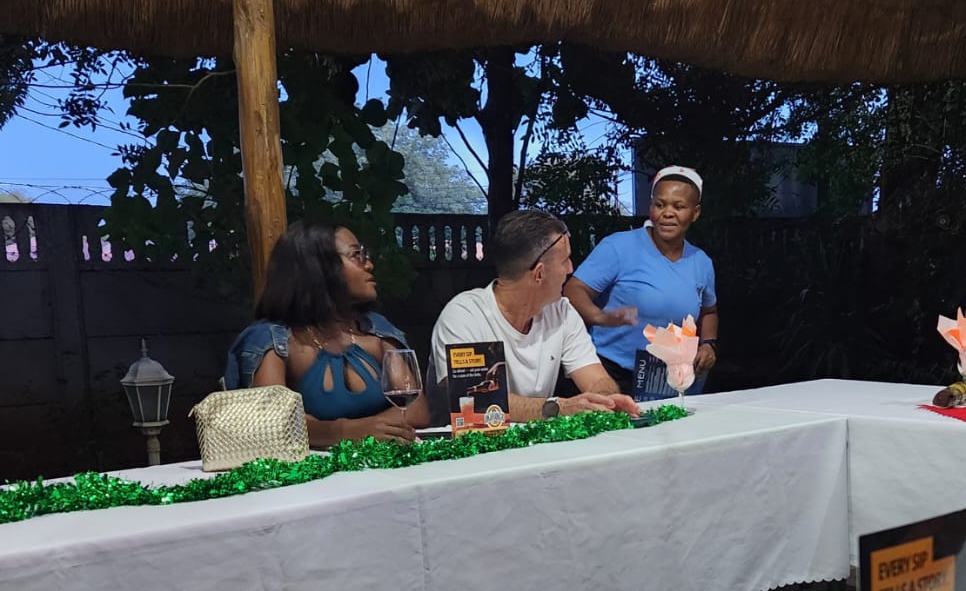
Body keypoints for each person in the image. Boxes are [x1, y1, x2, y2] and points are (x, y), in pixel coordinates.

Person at [224, 222, 428, 445]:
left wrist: (367, 430)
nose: (369, 264)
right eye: (356, 255)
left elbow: (416, 410)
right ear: (318, 266)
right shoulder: (272, 339)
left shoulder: (377, 330)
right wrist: (344, 432)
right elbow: (270, 423)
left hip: (386, 461)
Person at [430, 207, 639, 422]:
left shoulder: (562, 312)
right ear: (539, 273)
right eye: (565, 260)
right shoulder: (465, 316)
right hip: (462, 442)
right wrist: (558, 408)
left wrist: (605, 400)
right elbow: (475, 401)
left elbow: (596, 379)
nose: (570, 269)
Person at [564, 165, 718, 393]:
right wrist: (598, 316)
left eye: (678, 207)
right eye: (660, 205)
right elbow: (574, 289)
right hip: (612, 375)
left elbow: (709, 311)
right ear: (651, 208)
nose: (667, 213)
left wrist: (708, 344)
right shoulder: (618, 247)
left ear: (695, 213)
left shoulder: (701, 262)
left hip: (671, 380)